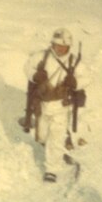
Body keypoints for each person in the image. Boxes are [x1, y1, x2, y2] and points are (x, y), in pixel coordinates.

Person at [24, 27, 83, 183]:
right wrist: (35, 75)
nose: (61, 49)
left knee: (56, 137)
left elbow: (88, 77)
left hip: (61, 106)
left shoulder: (74, 61)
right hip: (42, 104)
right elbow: (28, 68)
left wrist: (76, 82)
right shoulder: (41, 57)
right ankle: (54, 149)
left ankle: (52, 169)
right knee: (42, 136)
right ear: (52, 44)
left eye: (64, 47)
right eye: (58, 46)